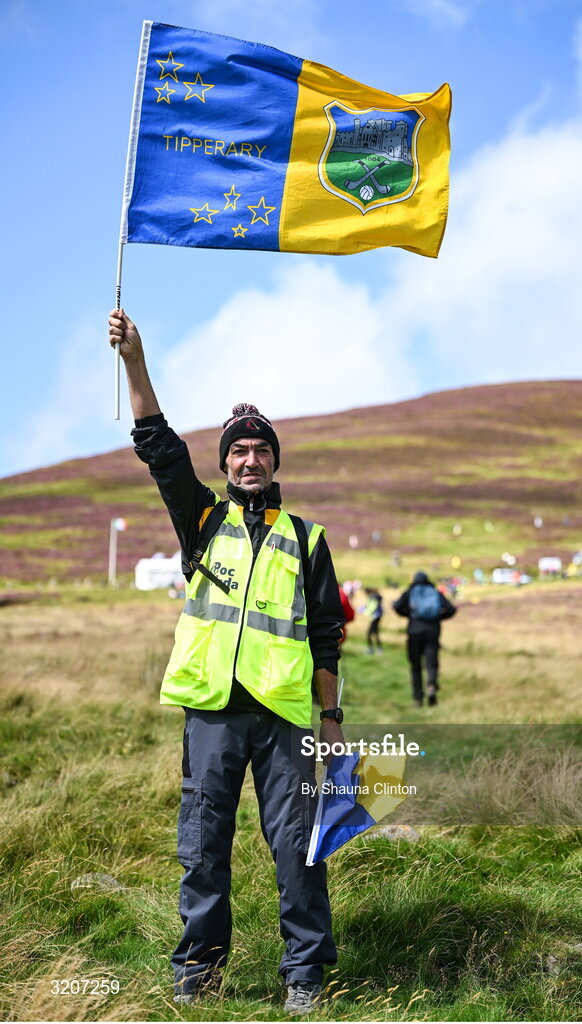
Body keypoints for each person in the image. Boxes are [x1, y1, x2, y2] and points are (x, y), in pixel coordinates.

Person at [108, 309, 345, 1016]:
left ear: (274, 462)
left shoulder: (306, 538)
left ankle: (304, 973)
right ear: (226, 464)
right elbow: (159, 446)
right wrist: (135, 362)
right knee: (202, 849)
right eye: (238, 451)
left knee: (298, 846)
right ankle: (199, 976)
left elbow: (326, 636)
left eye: (260, 451)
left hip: (282, 718)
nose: (249, 460)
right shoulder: (202, 522)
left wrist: (330, 719)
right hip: (211, 712)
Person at [393, 571, 456, 707]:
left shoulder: (410, 592)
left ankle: (418, 698)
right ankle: (431, 685)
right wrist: (438, 617)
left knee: (416, 667)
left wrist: (409, 614)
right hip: (432, 632)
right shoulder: (435, 592)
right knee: (431, 663)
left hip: (414, 631)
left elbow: (397, 606)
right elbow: (451, 609)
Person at [365, 588, 383, 654]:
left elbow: (372, 607)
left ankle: (373, 649)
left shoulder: (372, 597)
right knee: (375, 633)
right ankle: (378, 648)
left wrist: (365, 612)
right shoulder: (375, 597)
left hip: (375, 617)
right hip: (376, 617)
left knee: (370, 634)